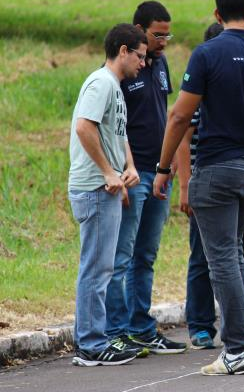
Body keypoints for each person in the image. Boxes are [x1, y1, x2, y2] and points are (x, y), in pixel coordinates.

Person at [153, 0, 244, 376]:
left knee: (222, 261)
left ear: (217, 14)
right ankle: (241, 342)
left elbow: (180, 116)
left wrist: (164, 169)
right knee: (232, 255)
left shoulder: (207, 53)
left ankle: (237, 349)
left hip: (215, 169)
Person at [177, 22, 244, 350]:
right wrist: (185, 185)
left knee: (240, 253)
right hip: (208, 178)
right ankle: (201, 323)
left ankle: (239, 326)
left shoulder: (241, 89)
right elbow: (182, 136)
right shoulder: (200, 88)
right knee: (204, 255)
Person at [104, 1, 186, 355]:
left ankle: (141, 327)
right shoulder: (117, 76)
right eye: (158, 34)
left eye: (169, 34)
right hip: (132, 175)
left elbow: (166, 115)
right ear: (138, 29)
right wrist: (124, 172)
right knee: (121, 257)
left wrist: (170, 166)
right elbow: (112, 128)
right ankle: (115, 330)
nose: (164, 41)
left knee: (146, 255)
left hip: (159, 172)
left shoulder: (162, 64)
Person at [67, 23, 145, 366]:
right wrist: (107, 172)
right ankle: (91, 344)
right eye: (139, 56)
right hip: (94, 188)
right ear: (124, 51)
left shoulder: (114, 86)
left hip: (108, 186)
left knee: (102, 268)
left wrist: (127, 165)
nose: (143, 63)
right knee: (96, 269)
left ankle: (95, 339)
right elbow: (85, 126)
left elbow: (116, 132)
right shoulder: (101, 83)